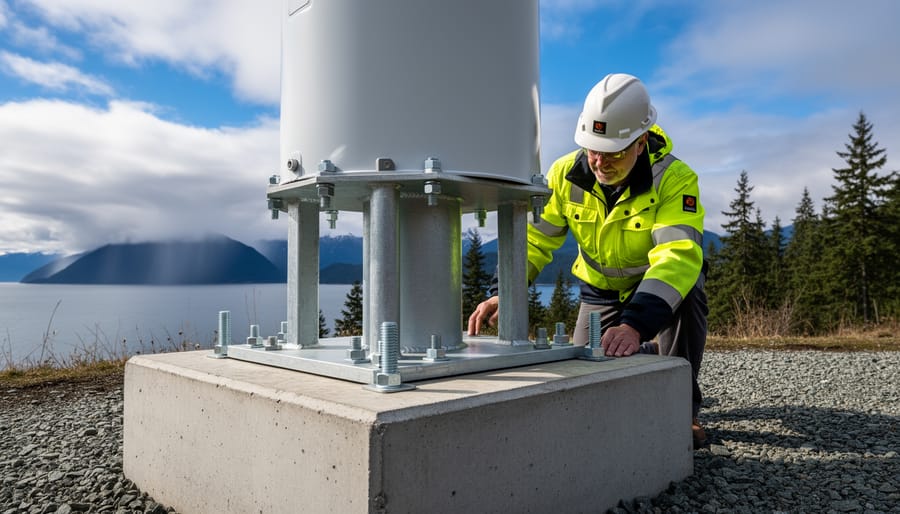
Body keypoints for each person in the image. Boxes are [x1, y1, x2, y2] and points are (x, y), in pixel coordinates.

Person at [467, 73, 709, 448]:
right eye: (592, 149)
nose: (599, 162)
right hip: (600, 290)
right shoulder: (565, 174)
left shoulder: (675, 180)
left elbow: (676, 256)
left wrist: (635, 324)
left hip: (654, 290)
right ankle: (650, 350)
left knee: (688, 289)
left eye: (612, 152)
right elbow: (536, 239)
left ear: (641, 141)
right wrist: (505, 292)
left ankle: (682, 411)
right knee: (584, 368)